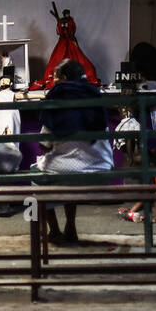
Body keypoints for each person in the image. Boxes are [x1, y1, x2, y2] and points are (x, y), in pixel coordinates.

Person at [36, 58, 115, 243]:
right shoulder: (94, 95)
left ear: (63, 77)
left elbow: (44, 145)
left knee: (39, 175)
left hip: (68, 170)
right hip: (101, 168)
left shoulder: (57, 99)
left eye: (55, 78)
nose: (53, 82)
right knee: (69, 168)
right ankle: (70, 227)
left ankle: (54, 232)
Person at [30, 2, 99, 90]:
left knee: (78, 58)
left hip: (70, 41)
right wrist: (61, 26)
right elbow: (59, 32)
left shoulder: (71, 21)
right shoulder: (62, 21)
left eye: (68, 14)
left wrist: (67, 29)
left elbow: (73, 30)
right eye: (66, 14)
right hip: (62, 43)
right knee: (58, 57)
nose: (67, 15)